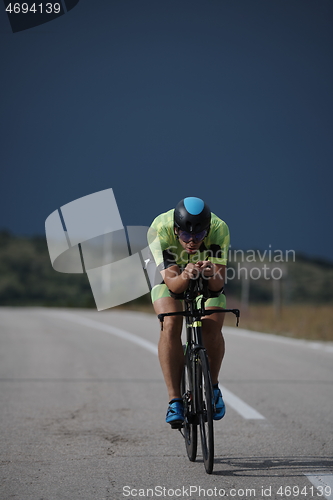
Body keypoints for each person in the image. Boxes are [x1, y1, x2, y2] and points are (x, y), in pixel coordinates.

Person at [149, 197, 230, 427]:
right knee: (171, 324)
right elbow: (174, 286)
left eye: (198, 236)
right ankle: (175, 400)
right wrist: (186, 274)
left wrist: (210, 272)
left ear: (207, 230)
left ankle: (212, 388)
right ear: (176, 230)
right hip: (170, 274)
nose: (192, 241)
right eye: (185, 235)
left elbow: (217, 287)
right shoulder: (160, 229)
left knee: (212, 328)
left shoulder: (219, 229)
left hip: (204, 271)